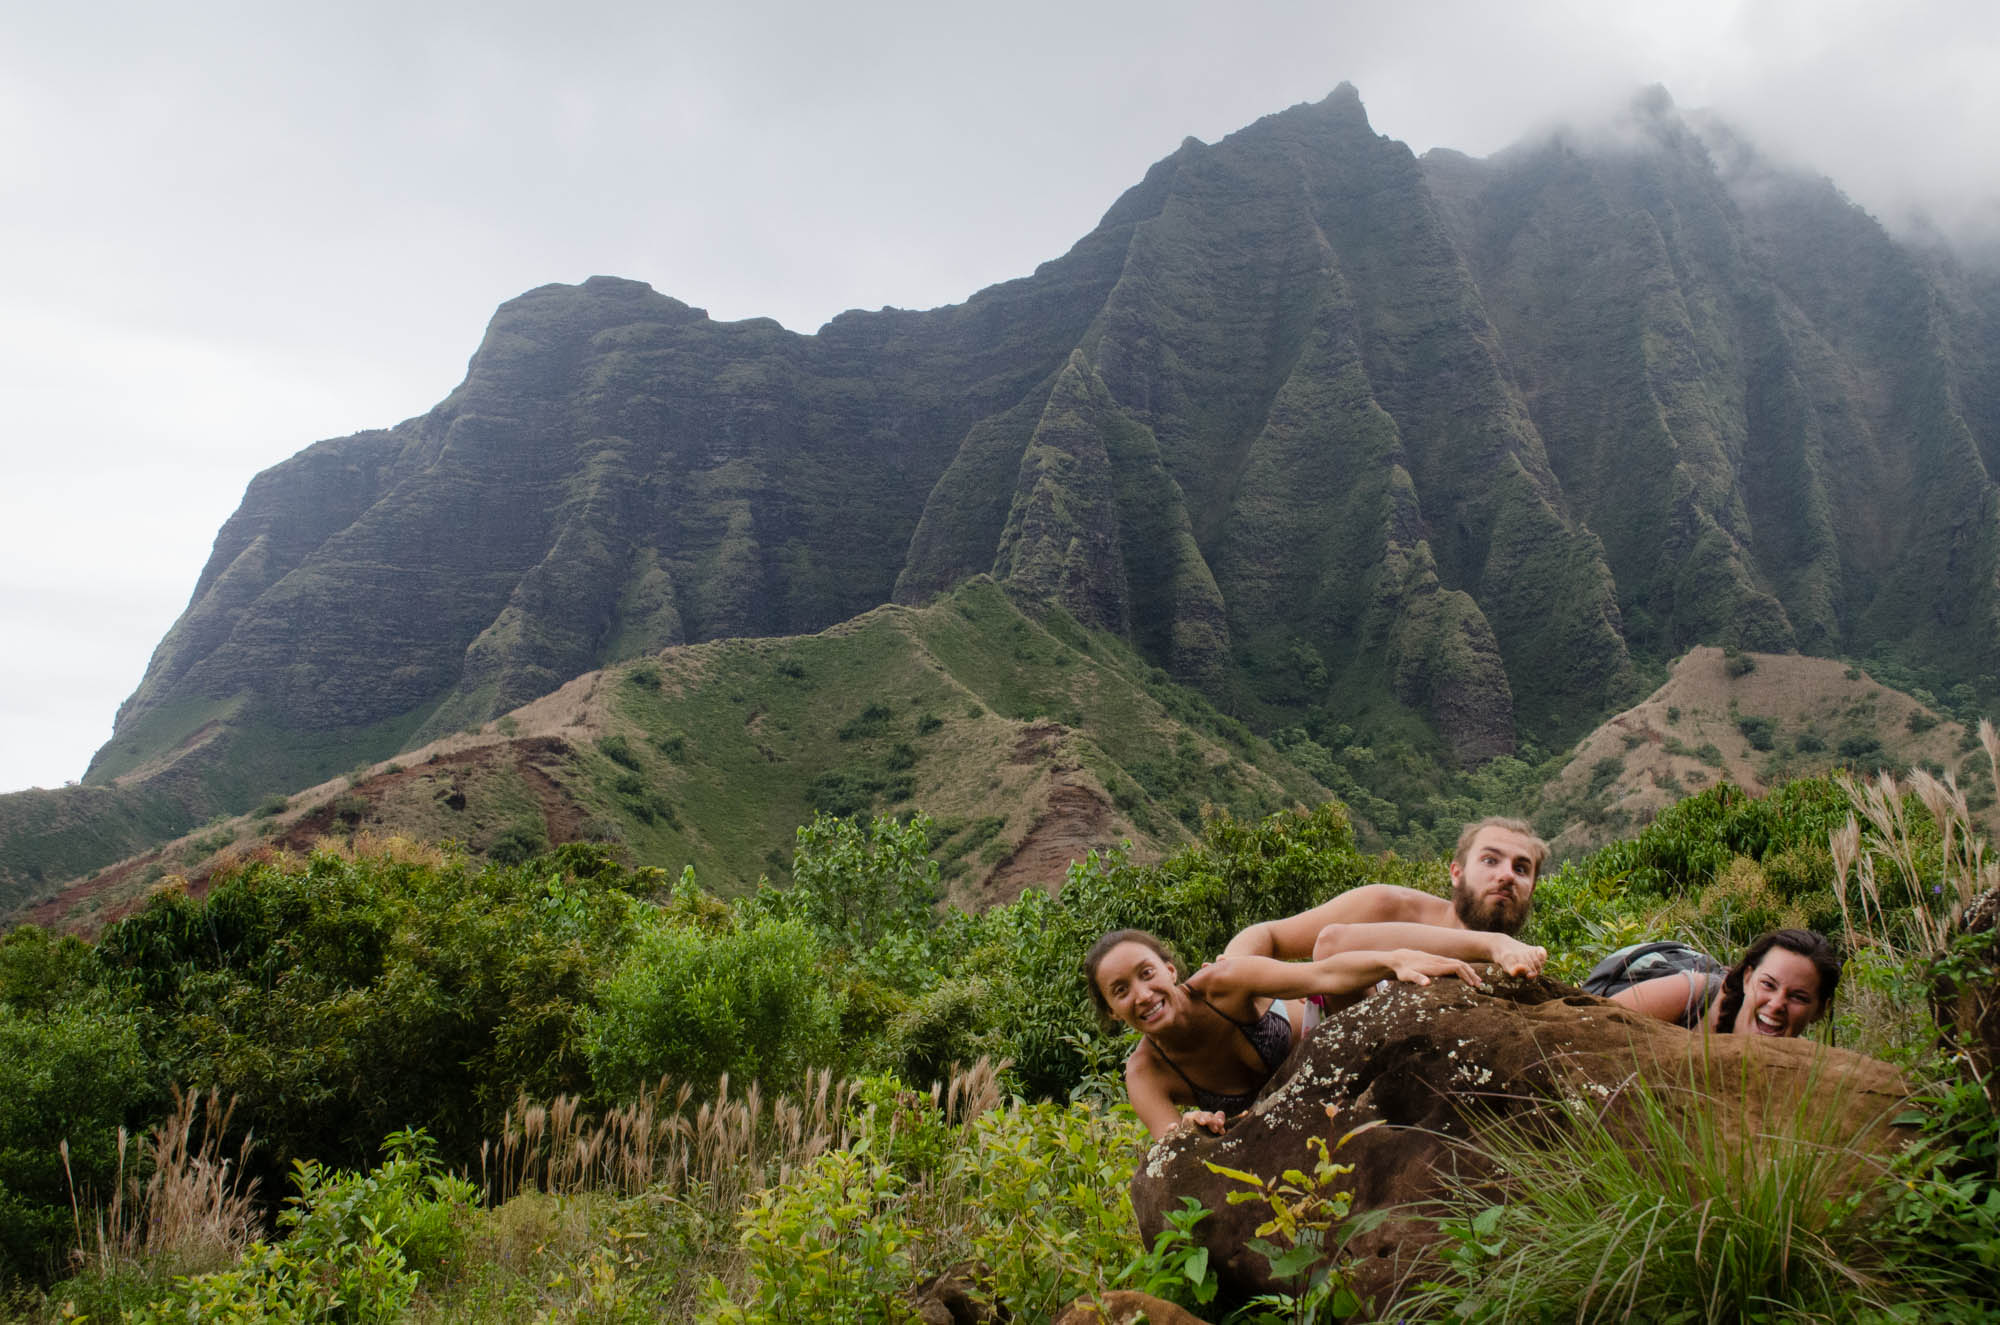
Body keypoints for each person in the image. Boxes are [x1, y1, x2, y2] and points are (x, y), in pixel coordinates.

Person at [1085, 928, 1480, 1139]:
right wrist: (1192, 1126)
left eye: (1147, 973)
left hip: (1334, 1046)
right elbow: (1169, 1139)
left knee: (1335, 948)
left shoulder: (1223, 984)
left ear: (1170, 970)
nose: (1142, 995)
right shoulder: (1146, 1073)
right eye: (1121, 991)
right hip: (1286, 1124)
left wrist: (1393, 960)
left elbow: (1322, 973)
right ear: (1111, 1011)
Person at [1222, 818, 1552, 1011]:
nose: (1507, 875)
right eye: (1490, 860)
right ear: (1456, 872)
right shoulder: (1391, 906)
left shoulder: (1515, 969)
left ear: (1532, 888)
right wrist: (1234, 990)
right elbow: (1287, 937)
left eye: (1521, 868)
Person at [1609, 928, 1841, 1037]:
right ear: (1748, 978)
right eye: (1768, 985)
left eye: (1798, 997)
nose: (1778, 1003)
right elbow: (1592, 1022)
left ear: (1820, 1009)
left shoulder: (1800, 1072)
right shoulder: (1692, 993)